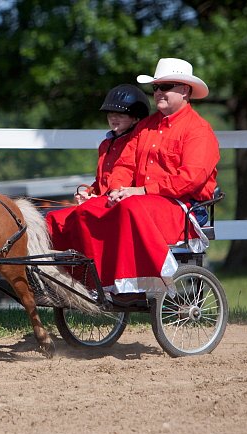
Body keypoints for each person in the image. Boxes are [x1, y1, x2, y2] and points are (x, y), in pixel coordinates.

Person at [49, 58, 220, 298]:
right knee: (87, 209)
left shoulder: (198, 130)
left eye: (166, 86)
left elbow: (190, 180)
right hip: (146, 202)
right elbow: (125, 165)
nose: (158, 92)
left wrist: (140, 191)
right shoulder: (145, 127)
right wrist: (113, 191)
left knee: (129, 207)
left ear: (184, 90)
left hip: (184, 207)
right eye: (156, 87)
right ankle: (89, 283)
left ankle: (135, 284)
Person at [46, 83, 151, 246]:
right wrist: (88, 192)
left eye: (120, 115)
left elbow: (125, 177)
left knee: (77, 217)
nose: (113, 118)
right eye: (110, 114)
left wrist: (100, 198)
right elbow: (100, 180)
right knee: (52, 219)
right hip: (103, 201)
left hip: (120, 203)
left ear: (136, 118)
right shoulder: (105, 144)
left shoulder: (137, 142)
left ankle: (89, 266)